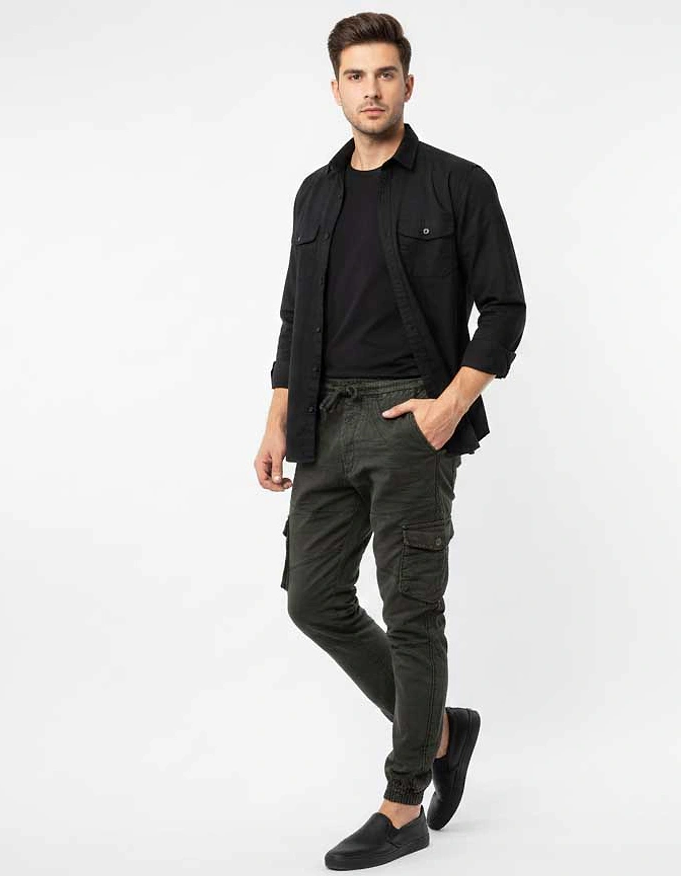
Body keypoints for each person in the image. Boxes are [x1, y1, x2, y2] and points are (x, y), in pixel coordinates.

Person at [253, 12, 526, 870]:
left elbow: (505, 308)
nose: (370, 91)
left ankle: (403, 803)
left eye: (384, 74)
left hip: (410, 418)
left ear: (409, 83)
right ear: (334, 88)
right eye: (355, 76)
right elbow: (296, 316)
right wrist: (277, 418)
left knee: (411, 611)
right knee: (313, 600)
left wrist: (448, 406)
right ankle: (442, 732)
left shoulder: (457, 184)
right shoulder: (315, 193)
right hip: (322, 419)